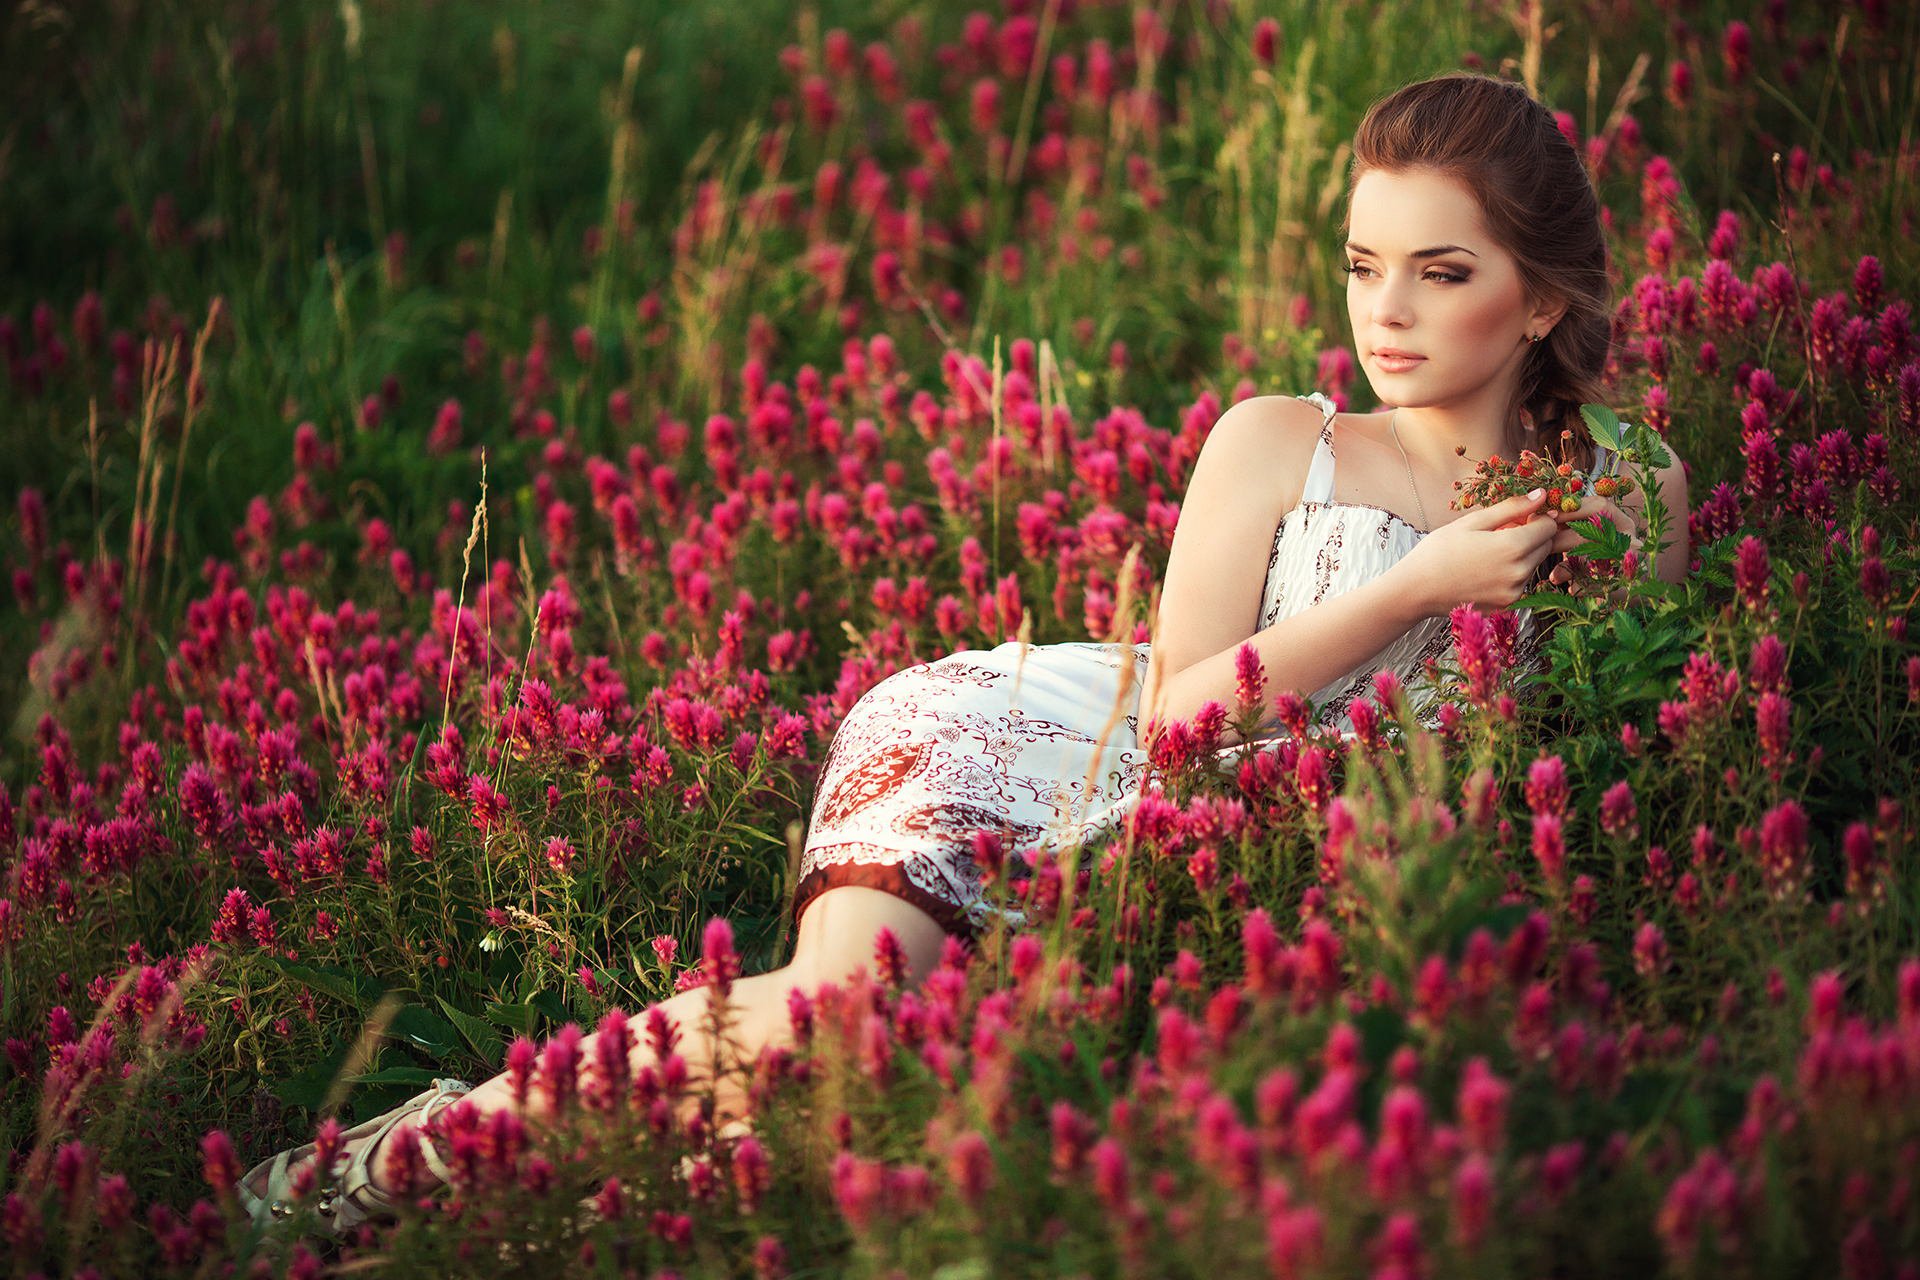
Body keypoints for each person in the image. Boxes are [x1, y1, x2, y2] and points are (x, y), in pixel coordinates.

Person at [239, 69, 1690, 1233]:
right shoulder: (1282, 441)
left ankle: (559, 1207)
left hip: (1271, 873)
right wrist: (1415, 587)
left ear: (1542, 299)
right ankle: (403, 1154)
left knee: (891, 1121)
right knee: (837, 1022)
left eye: (1443, 272)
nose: (1386, 310)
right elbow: (1177, 728)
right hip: (1048, 752)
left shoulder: (1630, 487)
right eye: (1367, 263)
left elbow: (1642, 743)